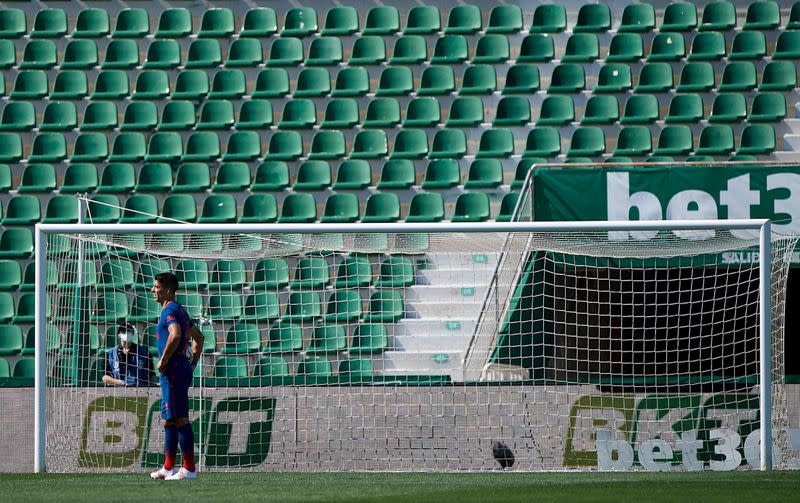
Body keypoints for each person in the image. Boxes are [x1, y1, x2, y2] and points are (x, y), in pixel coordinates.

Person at [148, 272, 204, 481]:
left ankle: (189, 469)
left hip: (172, 371)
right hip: (180, 369)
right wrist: (193, 363)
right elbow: (199, 337)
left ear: (167, 290)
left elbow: (176, 334)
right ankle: (167, 468)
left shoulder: (169, 310)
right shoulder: (180, 309)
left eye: (156, 286)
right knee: (168, 420)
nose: (153, 290)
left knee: (179, 419)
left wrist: (162, 360)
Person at [102, 323, 154, 387]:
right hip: (118, 391)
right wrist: (119, 382)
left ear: (132, 334)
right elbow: (104, 377)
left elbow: (152, 375)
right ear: (119, 334)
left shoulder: (145, 352)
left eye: (129, 331)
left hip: (140, 391)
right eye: (123, 331)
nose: (126, 333)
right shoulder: (109, 353)